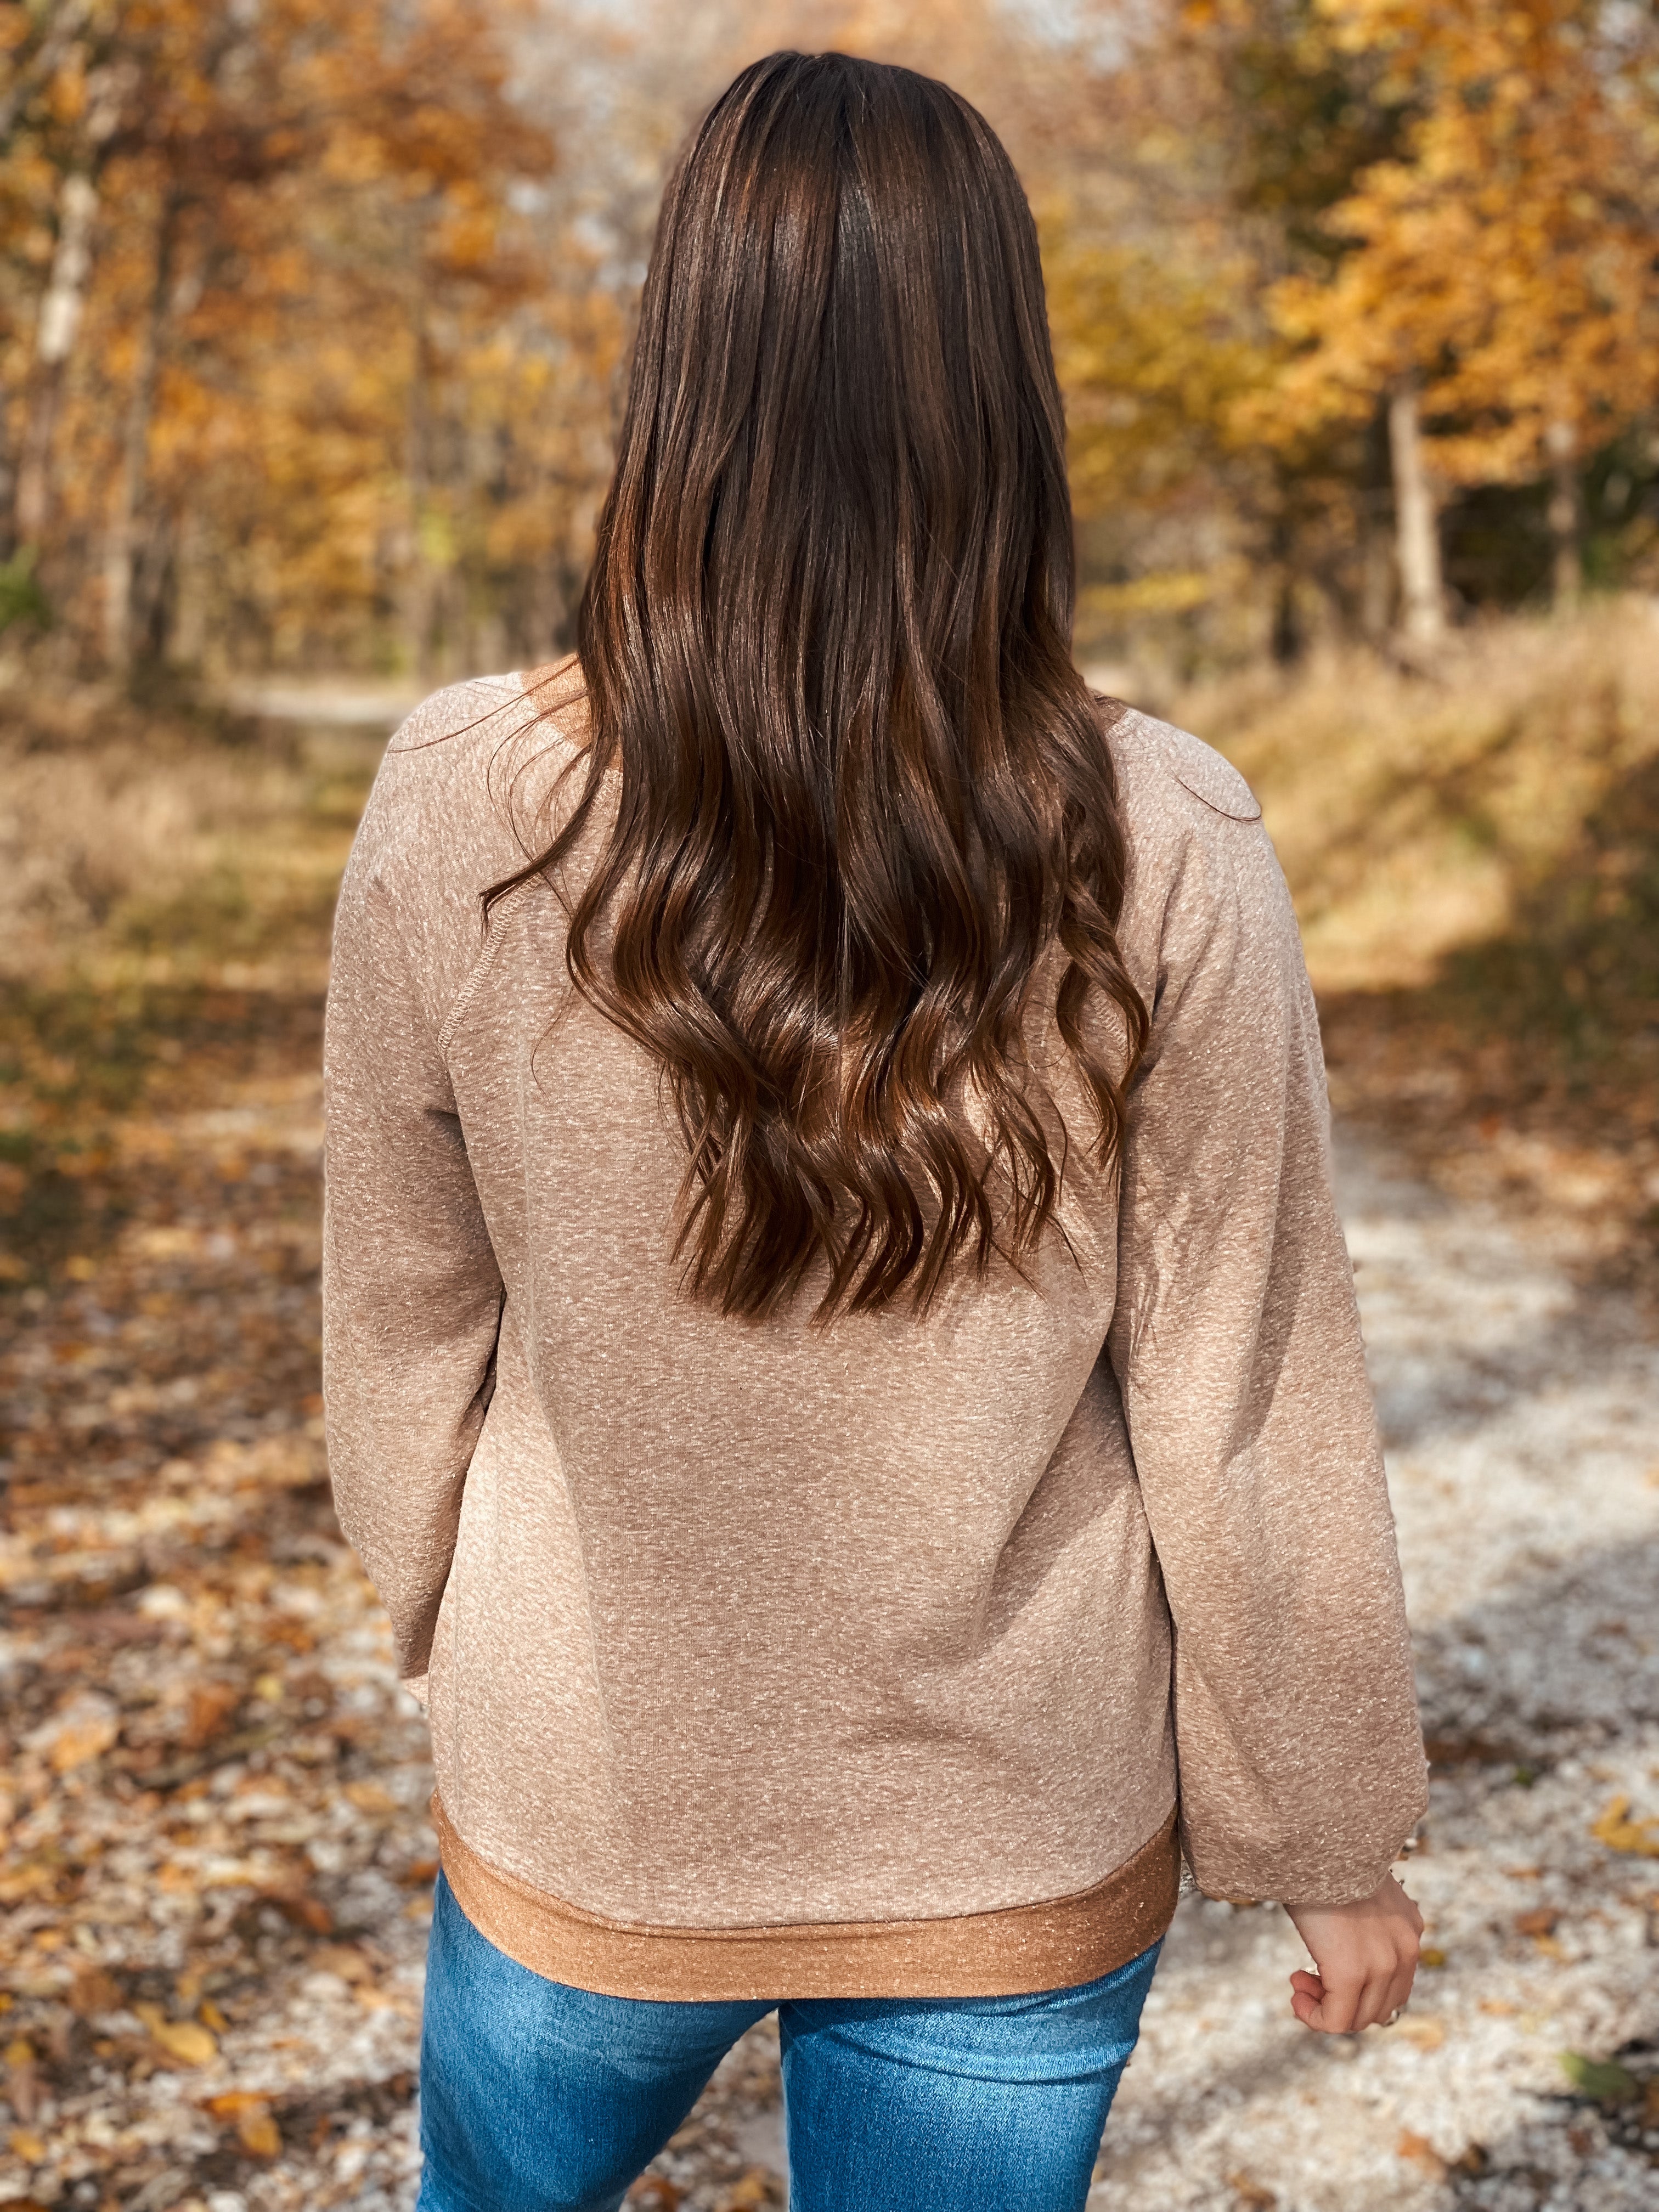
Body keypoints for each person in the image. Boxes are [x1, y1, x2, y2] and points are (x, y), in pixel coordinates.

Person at [321, 48, 1428, 2212]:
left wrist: (435, 1586)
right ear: (1002, 386)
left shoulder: (462, 797)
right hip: (1000, 1838)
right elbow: (1244, 1379)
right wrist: (1326, 1839)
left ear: (680, 364)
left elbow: (399, 1291)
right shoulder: (1166, 829)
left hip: (588, 1795)